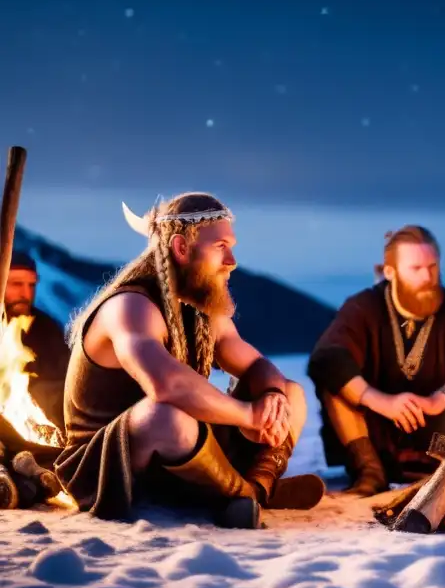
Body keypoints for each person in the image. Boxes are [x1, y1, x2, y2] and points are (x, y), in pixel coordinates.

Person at [53, 193, 325, 529]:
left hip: (179, 455)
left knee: (291, 393)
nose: (232, 260)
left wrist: (271, 396)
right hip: (106, 463)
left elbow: (256, 365)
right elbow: (166, 385)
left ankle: (258, 486)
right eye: (221, 246)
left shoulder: (201, 308)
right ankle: (243, 495)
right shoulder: (131, 307)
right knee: (165, 414)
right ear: (181, 248)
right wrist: (248, 415)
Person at [307, 225, 445, 496]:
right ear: (390, 272)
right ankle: (369, 473)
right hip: (377, 429)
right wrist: (382, 402)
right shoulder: (363, 307)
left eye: (433, 266)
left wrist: (439, 399)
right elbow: (327, 358)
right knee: (334, 382)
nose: (428, 277)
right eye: (416, 268)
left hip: (437, 429)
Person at [2, 250, 71, 432]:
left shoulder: (46, 329)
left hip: (34, 429)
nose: (26, 293)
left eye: (31, 285)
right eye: (16, 284)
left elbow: (68, 382)